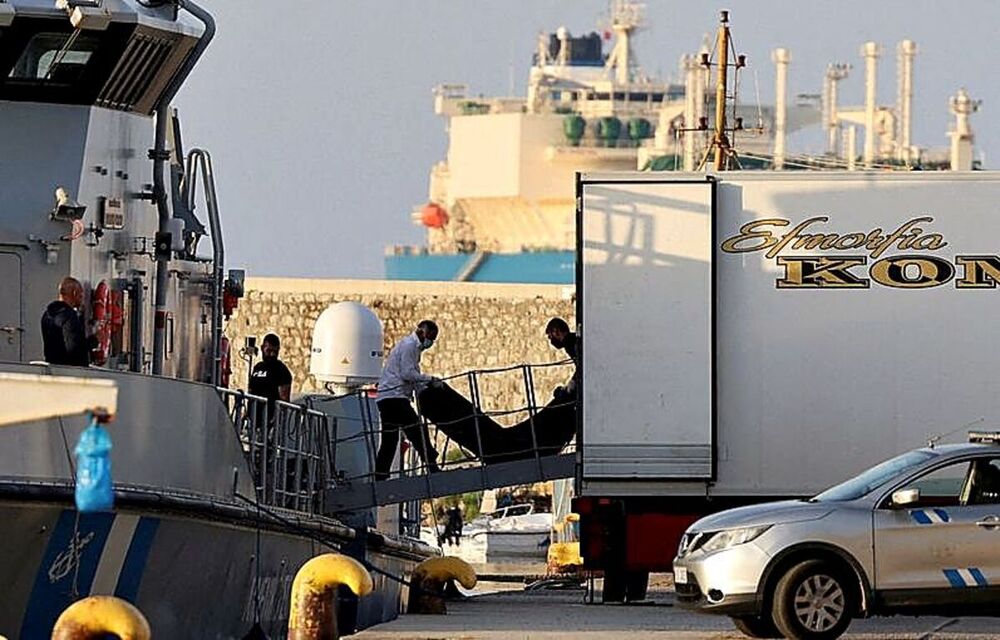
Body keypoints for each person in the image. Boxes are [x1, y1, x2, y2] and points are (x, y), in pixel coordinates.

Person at [374, 320, 442, 480]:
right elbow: (407, 374)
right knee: (417, 431)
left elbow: (413, 377)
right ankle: (432, 465)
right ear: (422, 333)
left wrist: (424, 387)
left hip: (386, 398)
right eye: (431, 338)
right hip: (395, 398)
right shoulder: (409, 346)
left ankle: (381, 475)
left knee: (390, 440)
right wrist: (430, 379)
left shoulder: (412, 348)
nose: (430, 342)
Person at [41, 277, 92, 366]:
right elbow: (75, 349)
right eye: (80, 295)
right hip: (70, 371)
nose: (82, 299)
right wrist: (94, 341)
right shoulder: (69, 316)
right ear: (74, 293)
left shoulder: (47, 315)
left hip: (53, 367)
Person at [249, 333, 293, 403]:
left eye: (275, 351)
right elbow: (251, 391)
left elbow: (284, 399)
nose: (272, 354)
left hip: (270, 412)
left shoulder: (281, 370)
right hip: (254, 411)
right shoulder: (258, 367)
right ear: (262, 348)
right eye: (268, 351)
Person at [545, 317, 580, 401]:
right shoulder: (572, 339)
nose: (551, 341)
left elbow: (582, 365)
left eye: (551, 336)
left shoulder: (569, 343)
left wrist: (573, 382)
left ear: (556, 331)